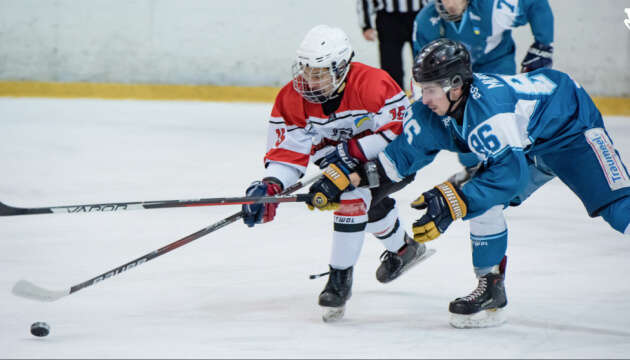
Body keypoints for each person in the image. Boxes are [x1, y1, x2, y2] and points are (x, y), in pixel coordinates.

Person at [375, 39, 630, 328]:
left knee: (618, 208)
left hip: (571, 128)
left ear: (456, 87)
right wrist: (356, 177)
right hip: (528, 136)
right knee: (484, 199)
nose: (424, 99)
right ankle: (491, 290)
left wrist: (452, 202)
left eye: (430, 90)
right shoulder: (446, 106)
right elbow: (399, 158)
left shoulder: (491, 114)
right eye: (422, 88)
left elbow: (510, 176)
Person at [241, 24, 434, 323]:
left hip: (390, 160)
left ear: (341, 66)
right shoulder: (291, 98)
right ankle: (405, 250)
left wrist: (349, 156)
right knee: (365, 204)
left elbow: (399, 133)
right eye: (305, 69)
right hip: (336, 162)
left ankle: (339, 279)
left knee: (352, 197)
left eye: (318, 72)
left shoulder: (374, 84)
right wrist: (270, 186)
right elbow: (288, 153)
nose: (308, 78)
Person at [410, 0, 555, 301]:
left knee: (498, 132)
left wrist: (544, 42)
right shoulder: (426, 20)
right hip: (452, 87)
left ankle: (501, 170)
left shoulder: (493, 8)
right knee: (464, 138)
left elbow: (536, 5)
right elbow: (422, 73)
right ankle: (484, 174)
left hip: (495, 74)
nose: (446, 3)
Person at [356, 0, 425, 89]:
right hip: (389, 18)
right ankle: (396, 100)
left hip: (419, 13)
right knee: (391, 68)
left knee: (424, 64)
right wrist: (366, 25)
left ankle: (429, 98)